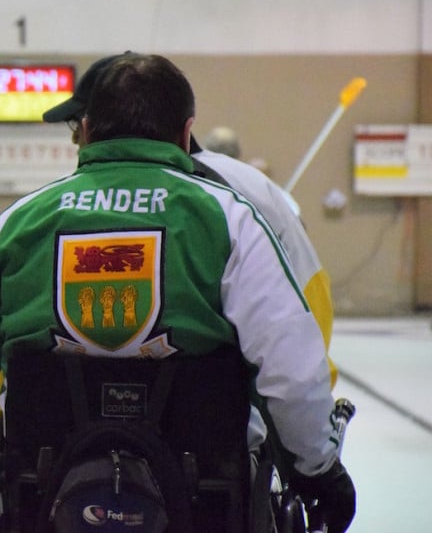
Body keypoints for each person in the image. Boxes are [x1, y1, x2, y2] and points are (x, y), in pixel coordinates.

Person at [0, 52, 354, 533]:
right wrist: (318, 473)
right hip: (206, 503)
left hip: (41, 499)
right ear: (187, 135)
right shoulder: (231, 222)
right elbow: (291, 373)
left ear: (85, 129)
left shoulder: (18, 225)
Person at [45, 53, 339, 456]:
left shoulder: (46, 211)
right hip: (214, 435)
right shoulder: (246, 198)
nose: (74, 139)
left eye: (77, 125)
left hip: (77, 448)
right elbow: (302, 319)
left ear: (94, 127)